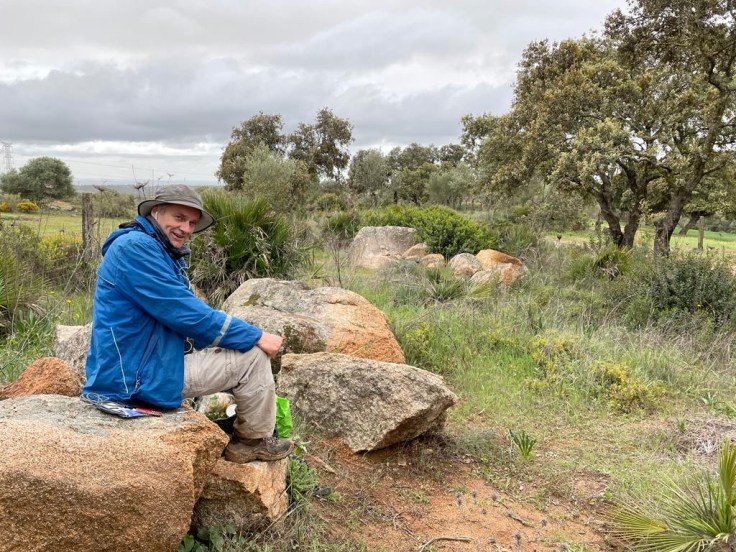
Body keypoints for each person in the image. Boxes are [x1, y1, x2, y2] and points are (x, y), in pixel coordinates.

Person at [82, 184, 294, 463]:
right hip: (135, 378)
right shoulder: (135, 248)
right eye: (179, 218)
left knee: (233, 349)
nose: (185, 228)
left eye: (192, 223)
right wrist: (255, 336)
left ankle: (239, 430)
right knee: (253, 357)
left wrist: (219, 342)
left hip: (144, 365)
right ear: (156, 212)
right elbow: (183, 311)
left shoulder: (153, 247)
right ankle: (251, 442)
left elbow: (180, 314)